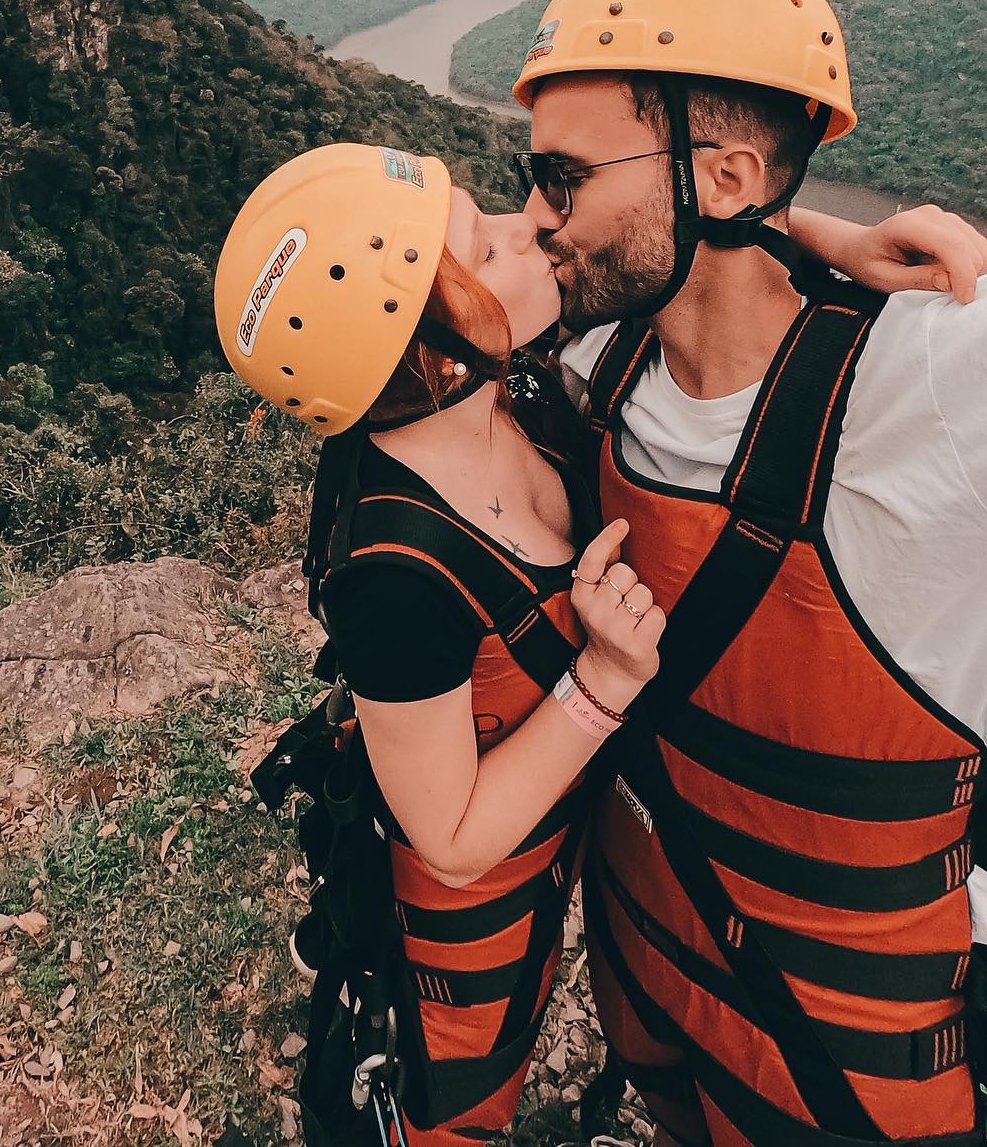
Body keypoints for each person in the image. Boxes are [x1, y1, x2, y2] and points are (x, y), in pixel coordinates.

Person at [212, 138, 979, 1145]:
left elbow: (658, 250)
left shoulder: (509, 386)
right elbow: (452, 840)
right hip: (480, 890)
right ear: (429, 350)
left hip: (592, 840)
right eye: (482, 251)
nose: (524, 226)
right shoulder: (393, 578)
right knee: (457, 1093)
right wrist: (603, 681)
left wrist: (829, 237)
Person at [510, 0, 987, 1146]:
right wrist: (810, 228)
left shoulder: (931, 385)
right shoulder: (596, 358)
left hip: (840, 1071)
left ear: (721, 178)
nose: (534, 217)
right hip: (657, 972)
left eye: (562, 180)